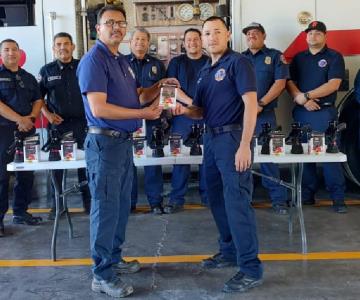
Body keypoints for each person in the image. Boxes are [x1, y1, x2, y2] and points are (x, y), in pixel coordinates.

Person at [77, 5, 178, 298]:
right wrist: (145, 114)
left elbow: (137, 96)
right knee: (106, 208)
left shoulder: (121, 60)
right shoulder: (94, 60)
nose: (117, 28)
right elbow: (99, 107)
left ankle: (114, 258)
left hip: (122, 143)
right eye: (110, 23)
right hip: (104, 144)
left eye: (121, 23)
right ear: (98, 28)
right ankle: (102, 274)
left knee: (121, 207)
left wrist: (159, 85)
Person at [173, 16, 263, 293]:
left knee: (237, 201)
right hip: (211, 139)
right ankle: (228, 250)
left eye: (216, 32)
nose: (210, 37)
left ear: (228, 34)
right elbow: (199, 111)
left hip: (233, 138)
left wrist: (245, 144)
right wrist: (181, 108)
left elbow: (251, 106)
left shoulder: (238, 63)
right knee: (214, 196)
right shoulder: (205, 71)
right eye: (206, 33)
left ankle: (250, 268)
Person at [287, 20, 347, 213]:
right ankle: (307, 196)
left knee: (329, 156)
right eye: (310, 33)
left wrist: (306, 96)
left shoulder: (334, 57)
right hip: (303, 112)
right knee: (304, 155)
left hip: (324, 112)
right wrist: (302, 100)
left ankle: (338, 199)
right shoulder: (298, 58)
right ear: (306, 36)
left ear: (325, 36)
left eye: (318, 33)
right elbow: (289, 82)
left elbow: (333, 84)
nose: (313, 36)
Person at [39, 32, 91, 220]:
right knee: (57, 168)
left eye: (66, 43)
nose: (63, 47)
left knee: (85, 165)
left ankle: (89, 203)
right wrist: (48, 114)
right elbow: (38, 98)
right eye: (59, 44)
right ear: (54, 48)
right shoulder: (47, 70)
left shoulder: (83, 66)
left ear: (73, 46)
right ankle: (58, 206)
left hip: (82, 124)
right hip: (57, 127)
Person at [242, 22, 289, 215]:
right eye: (248, 33)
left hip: (265, 116)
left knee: (269, 158)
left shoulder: (275, 56)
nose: (251, 36)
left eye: (255, 33)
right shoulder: (238, 58)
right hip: (242, 116)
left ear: (264, 36)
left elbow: (280, 83)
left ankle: (278, 200)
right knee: (243, 158)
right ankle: (245, 200)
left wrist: (260, 104)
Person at [0, 39, 43, 237]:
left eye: (14, 49)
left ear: (20, 52)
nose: (11, 53)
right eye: (7, 50)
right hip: (5, 131)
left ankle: (21, 212)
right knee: (2, 176)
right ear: (1, 53)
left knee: (26, 174)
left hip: (28, 130)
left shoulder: (28, 77)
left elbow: (38, 100)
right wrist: (20, 119)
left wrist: (31, 118)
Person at [164, 28, 208, 214]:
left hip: (206, 116)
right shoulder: (176, 62)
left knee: (207, 157)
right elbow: (169, 87)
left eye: (196, 39)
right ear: (184, 43)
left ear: (201, 41)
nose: (192, 43)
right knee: (180, 157)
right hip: (182, 115)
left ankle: (208, 197)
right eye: (188, 40)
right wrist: (192, 104)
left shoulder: (210, 61)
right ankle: (176, 198)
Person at [125, 28, 166, 214]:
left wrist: (155, 108)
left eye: (144, 39)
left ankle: (155, 202)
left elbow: (166, 90)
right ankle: (129, 203)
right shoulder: (121, 63)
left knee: (153, 159)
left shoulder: (157, 64)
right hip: (128, 119)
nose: (140, 42)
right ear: (130, 42)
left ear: (148, 43)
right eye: (137, 39)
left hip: (153, 119)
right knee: (128, 161)